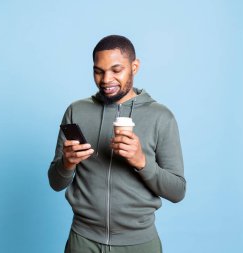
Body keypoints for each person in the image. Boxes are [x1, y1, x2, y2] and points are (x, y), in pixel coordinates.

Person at [48, 35, 186, 253]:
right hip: (83, 240)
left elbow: (177, 191)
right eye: (98, 71)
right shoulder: (76, 111)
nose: (106, 79)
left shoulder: (161, 117)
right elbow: (55, 182)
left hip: (139, 244)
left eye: (116, 70)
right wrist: (67, 164)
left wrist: (142, 162)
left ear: (134, 66)